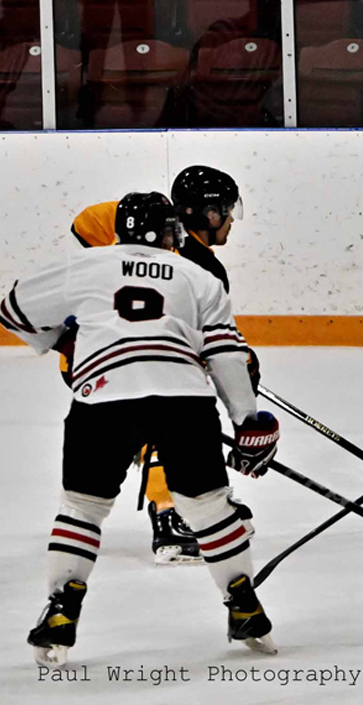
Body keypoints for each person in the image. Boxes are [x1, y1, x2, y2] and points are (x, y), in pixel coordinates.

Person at [5, 192, 280, 666]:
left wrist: (61, 339)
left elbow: (11, 311)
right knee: (210, 506)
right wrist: (247, 420)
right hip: (184, 399)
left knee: (82, 508)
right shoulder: (197, 275)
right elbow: (225, 355)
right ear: (169, 232)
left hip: (104, 398)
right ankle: (243, 603)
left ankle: (61, 609)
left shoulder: (87, 264)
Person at [67, 165, 257, 563]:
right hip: (107, 361)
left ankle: (193, 503)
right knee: (164, 411)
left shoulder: (168, 239)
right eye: (227, 211)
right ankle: (170, 514)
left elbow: (85, 223)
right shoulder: (206, 270)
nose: (230, 222)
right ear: (208, 215)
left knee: (169, 411)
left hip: (94, 352)